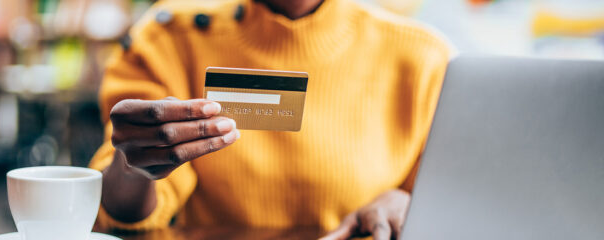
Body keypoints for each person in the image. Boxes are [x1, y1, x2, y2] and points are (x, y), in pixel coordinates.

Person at [89, 0, 452, 239]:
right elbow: (122, 208)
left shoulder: (422, 58)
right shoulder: (168, 36)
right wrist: (133, 166)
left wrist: (410, 204)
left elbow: (451, 200)